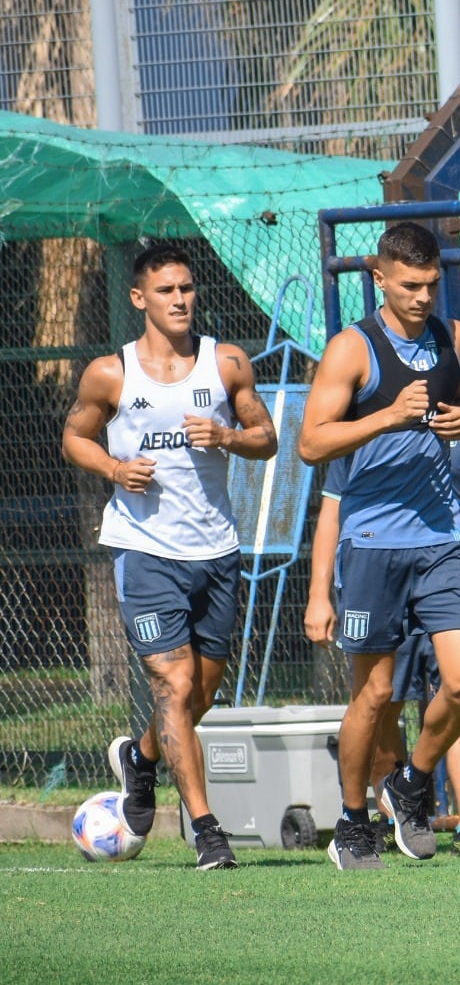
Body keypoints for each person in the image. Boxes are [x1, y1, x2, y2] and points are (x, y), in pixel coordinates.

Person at [64, 245, 278, 871]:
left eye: (187, 287)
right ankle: (208, 831)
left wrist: (230, 437)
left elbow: (266, 438)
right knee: (173, 683)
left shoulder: (227, 362)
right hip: (144, 549)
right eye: (165, 290)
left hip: (216, 551)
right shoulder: (111, 373)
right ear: (139, 299)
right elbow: (76, 435)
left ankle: (142, 759)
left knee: (199, 693)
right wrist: (113, 466)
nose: (180, 299)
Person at [298, 221, 460, 870]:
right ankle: (353, 821)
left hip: (442, 536)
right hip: (374, 541)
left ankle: (410, 782)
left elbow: (455, 406)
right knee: (375, 695)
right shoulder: (352, 349)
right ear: (379, 279)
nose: (422, 297)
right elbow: (310, 444)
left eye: (432, 284)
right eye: (409, 285)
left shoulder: (448, 337)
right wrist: (383, 415)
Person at [305, 405, 460, 858]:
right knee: (379, 698)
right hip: (379, 567)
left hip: (447, 569)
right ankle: (365, 819)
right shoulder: (366, 421)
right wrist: (318, 595)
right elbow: (331, 511)